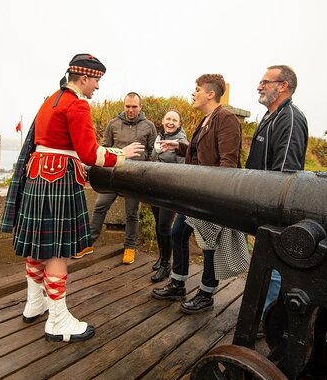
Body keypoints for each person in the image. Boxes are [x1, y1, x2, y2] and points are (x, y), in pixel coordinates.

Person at [0, 54, 144, 343]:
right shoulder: (76, 103)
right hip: (59, 179)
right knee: (56, 252)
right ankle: (57, 320)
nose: (97, 88)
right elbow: (90, 154)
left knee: (39, 246)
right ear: (84, 78)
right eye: (96, 81)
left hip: (37, 177)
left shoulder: (51, 98)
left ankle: (35, 303)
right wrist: (122, 154)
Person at [152, 74, 241, 314]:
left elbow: (228, 162)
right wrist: (179, 146)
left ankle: (206, 293)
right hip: (195, 193)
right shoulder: (207, 119)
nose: (193, 93)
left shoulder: (226, 118)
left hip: (210, 194)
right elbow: (202, 152)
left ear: (211, 94)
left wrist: (215, 196)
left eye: (197, 89)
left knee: (208, 244)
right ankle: (178, 282)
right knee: (178, 232)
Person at [245, 64, 308, 332]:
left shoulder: (290, 118)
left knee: (275, 268)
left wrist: (270, 208)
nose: (259, 86)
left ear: (283, 86)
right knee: (265, 264)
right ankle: (262, 312)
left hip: (275, 207)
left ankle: (268, 319)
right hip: (261, 204)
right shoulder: (269, 116)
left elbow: (285, 173)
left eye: (265, 81)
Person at [73, 92, 157, 264]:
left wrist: (146, 175)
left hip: (135, 179)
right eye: (128, 106)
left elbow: (152, 153)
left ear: (140, 107)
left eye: (134, 106)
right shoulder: (113, 124)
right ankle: (88, 242)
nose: (131, 109)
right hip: (113, 176)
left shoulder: (149, 126)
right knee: (99, 206)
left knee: (132, 214)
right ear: (124, 105)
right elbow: (104, 148)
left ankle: (129, 247)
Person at [149, 110, 188, 282]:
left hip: (169, 192)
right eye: (168, 119)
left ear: (179, 124)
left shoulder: (181, 143)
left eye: (174, 120)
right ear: (163, 121)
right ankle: (162, 256)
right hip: (154, 190)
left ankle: (166, 264)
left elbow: (182, 170)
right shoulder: (159, 139)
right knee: (159, 225)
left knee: (165, 226)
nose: (171, 122)